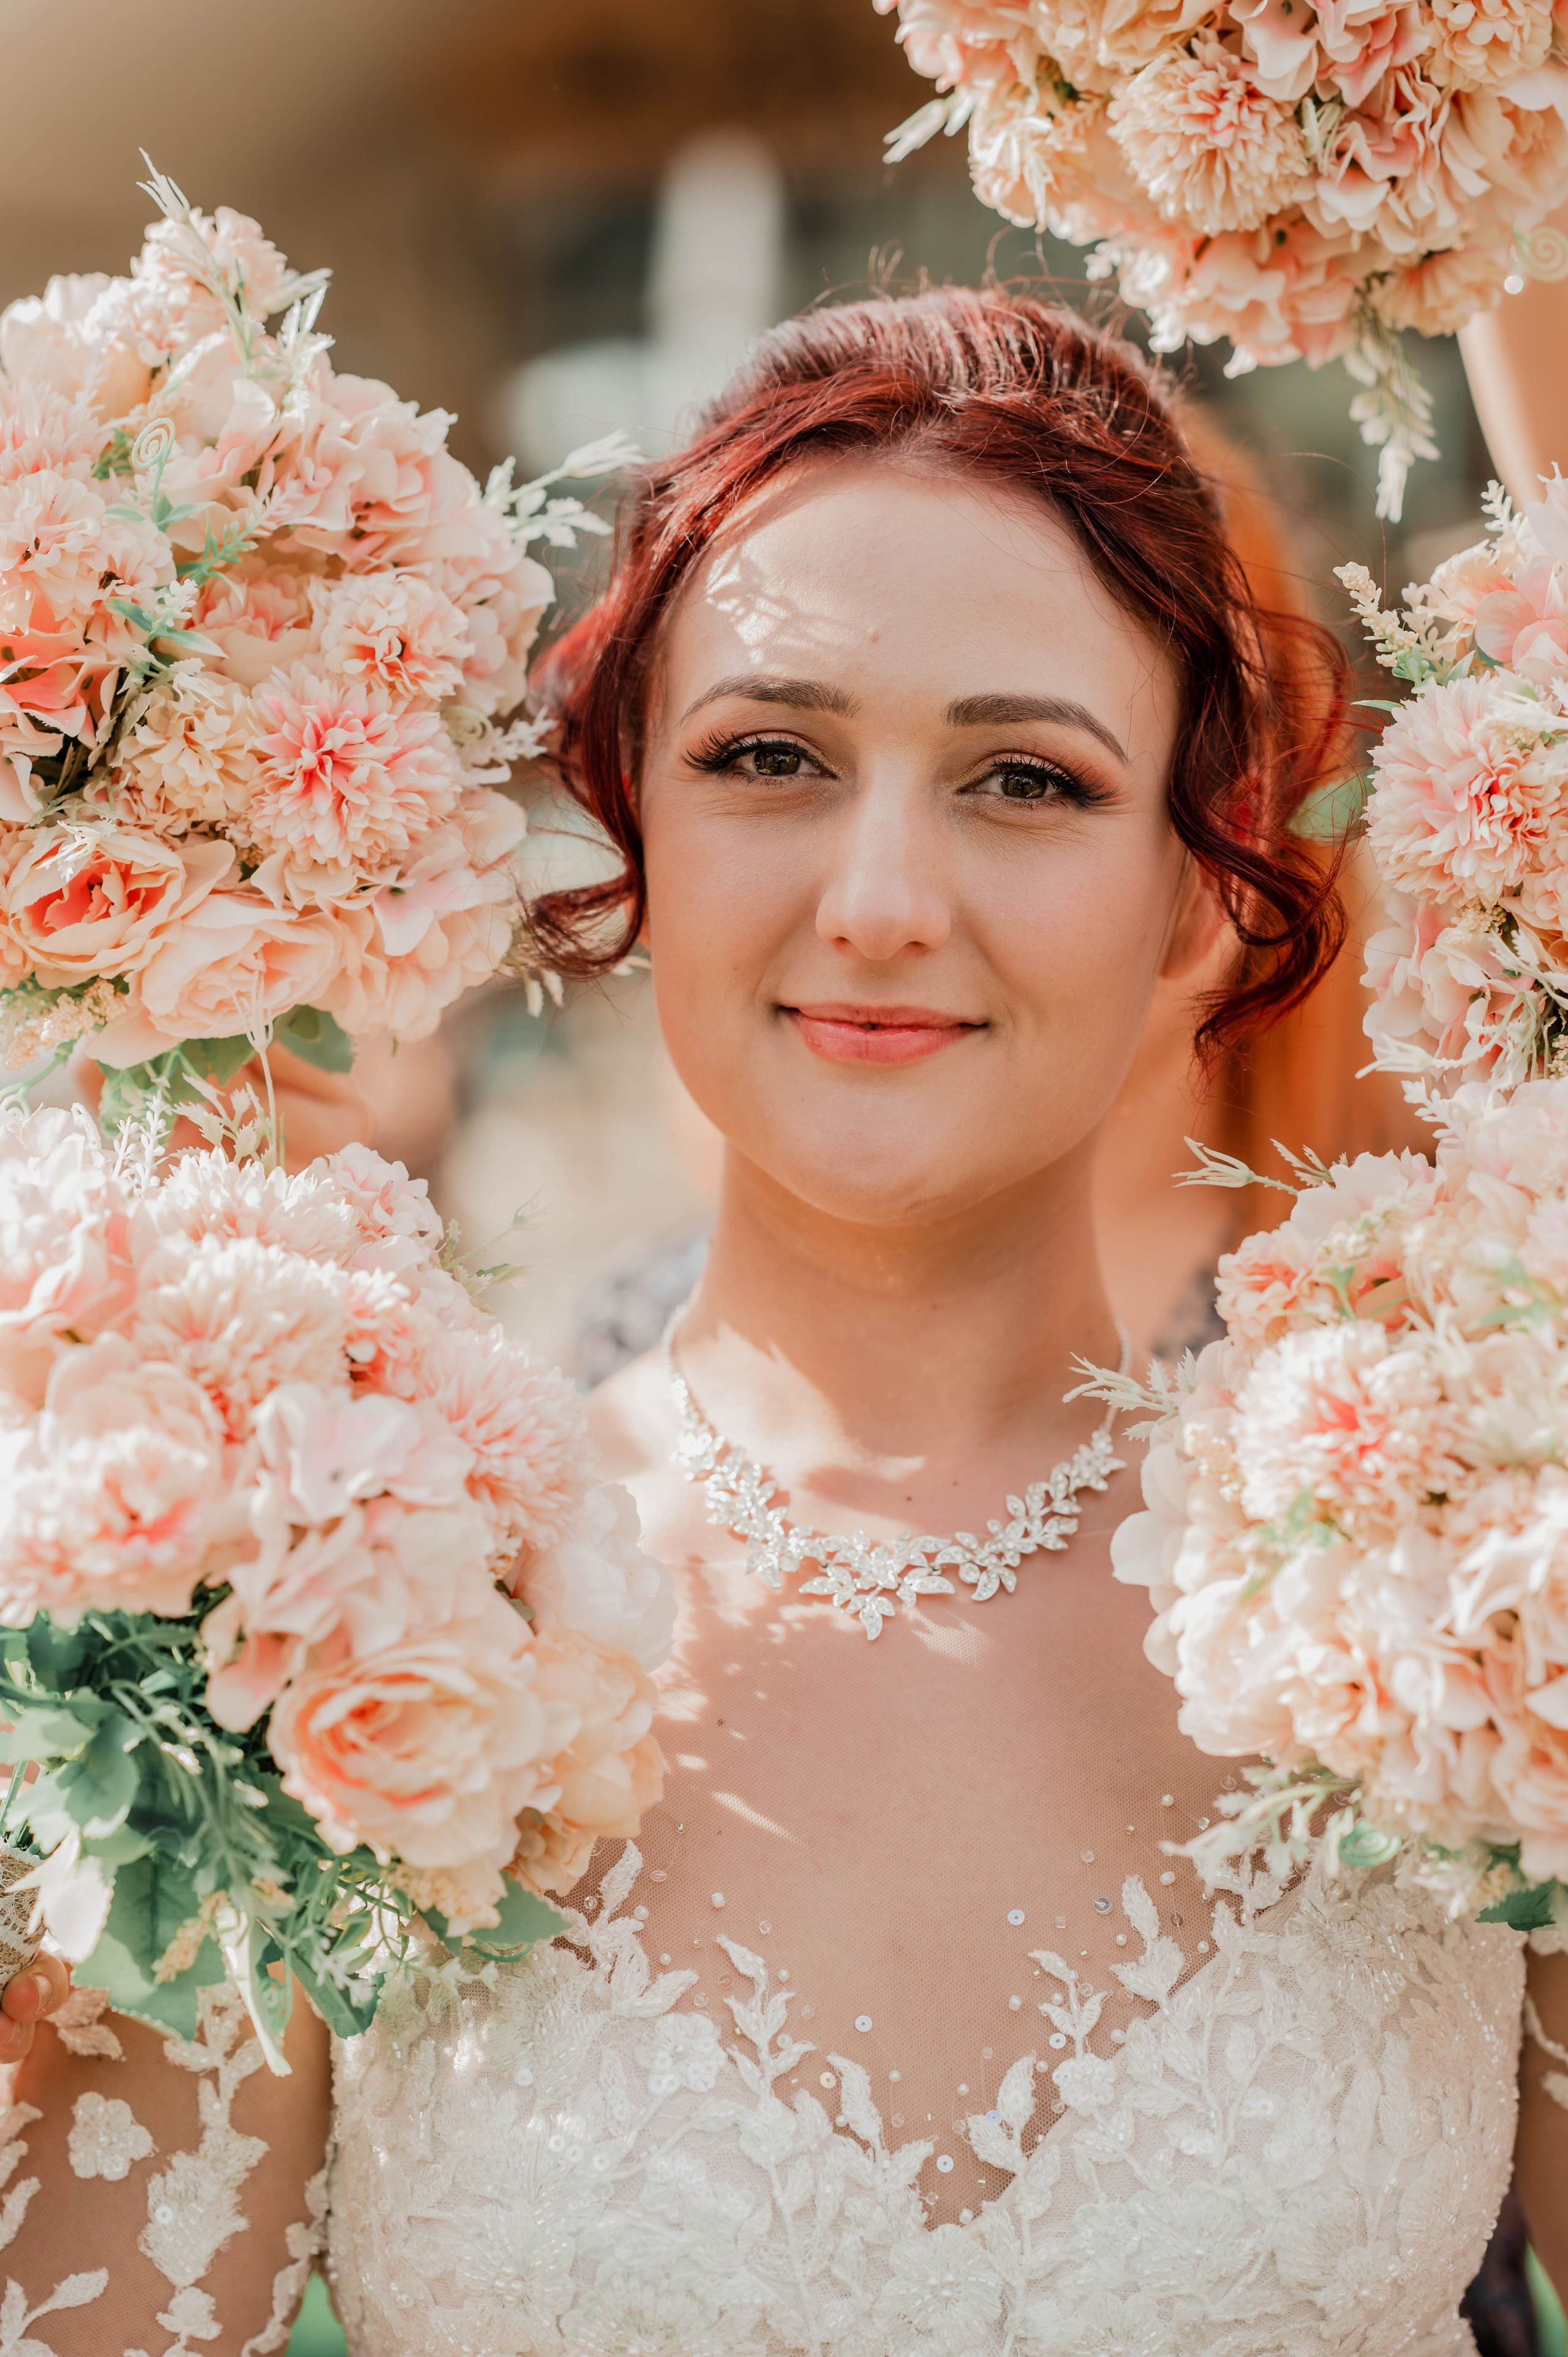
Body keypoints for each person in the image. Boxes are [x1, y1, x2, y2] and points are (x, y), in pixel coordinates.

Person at [8, 290, 1567, 2356]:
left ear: (1203, 889)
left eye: (1026, 779)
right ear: (629, 826)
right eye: (770, 758)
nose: (882, 899)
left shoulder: (1460, 1595)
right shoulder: (322, 1598)